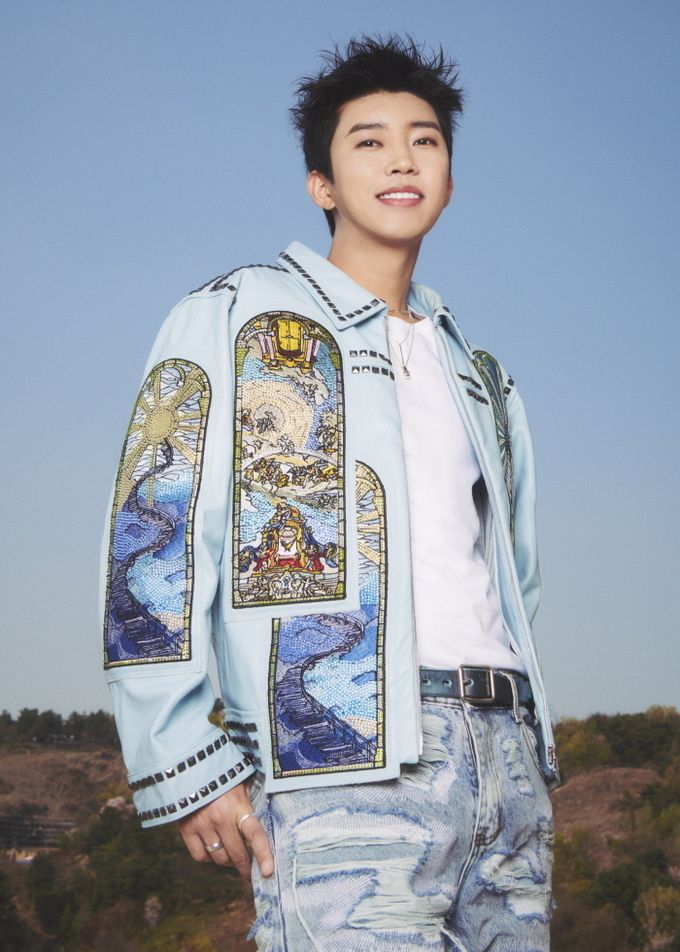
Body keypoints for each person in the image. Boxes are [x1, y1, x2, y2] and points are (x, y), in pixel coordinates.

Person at [101, 35, 559, 951]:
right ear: (322, 183)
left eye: (425, 141)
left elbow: (518, 576)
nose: (402, 159)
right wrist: (182, 754)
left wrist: (526, 756)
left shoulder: (483, 375)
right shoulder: (237, 316)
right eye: (369, 141)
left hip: (508, 757)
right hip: (341, 759)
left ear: (450, 177)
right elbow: (154, 535)